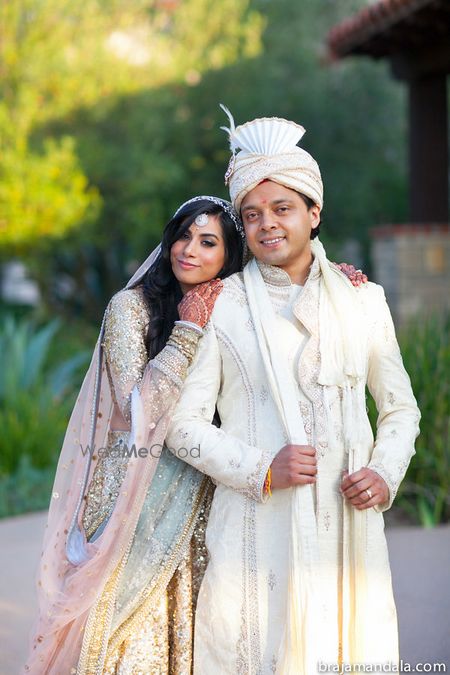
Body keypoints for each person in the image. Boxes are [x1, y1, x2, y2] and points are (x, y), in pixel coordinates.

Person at [25, 186, 364, 674]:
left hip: (206, 493)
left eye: (208, 242)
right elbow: (139, 412)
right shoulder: (132, 308)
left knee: (194, 632)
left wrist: (333, 281)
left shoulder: (237, 308)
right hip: (134, 498)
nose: (190, 250)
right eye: (184, 236)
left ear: (229, 255)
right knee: (129, 634)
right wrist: (187, 330)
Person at [165, 110, 421, 674]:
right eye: (252, 215)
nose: (267, 225)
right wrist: (260, 468)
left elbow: (400, 408)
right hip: (258, 533)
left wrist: (384, 471)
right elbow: (181, 426)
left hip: (348, 526)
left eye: (282, 209)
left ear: (314, 212)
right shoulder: (221, 303)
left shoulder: (363, 299)